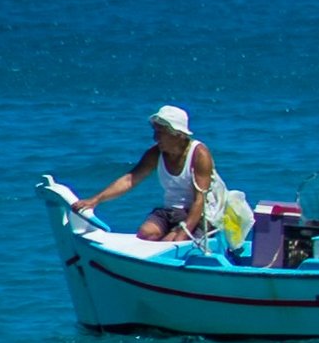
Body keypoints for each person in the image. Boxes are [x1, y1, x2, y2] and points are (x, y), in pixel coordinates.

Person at [75, 106, 249, 248]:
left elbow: (199, 200)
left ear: (177, 134)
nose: (155, 137)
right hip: (171, 211)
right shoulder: (156, 153)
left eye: (161, 133)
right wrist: (95, 200)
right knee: (145, 234)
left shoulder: (199, 154)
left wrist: (182, 234)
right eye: (155, 131)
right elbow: (130, 179)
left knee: (168, 245)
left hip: (200, 215)